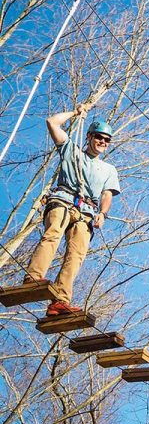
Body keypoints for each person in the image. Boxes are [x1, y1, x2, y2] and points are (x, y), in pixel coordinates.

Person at [24, 106, 120, 316]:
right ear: (89, 137)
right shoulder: (71, 150)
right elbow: (52, 122)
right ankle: (33, 276)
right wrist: (76, 113)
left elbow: (107, 195)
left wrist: (102, 214)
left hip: (86, 213)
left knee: (76, 255)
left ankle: (60, 301)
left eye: (107, 140)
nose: (103, 142)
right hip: (63, 201)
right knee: (52, 236)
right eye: (99, 137)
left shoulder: (109, 170)